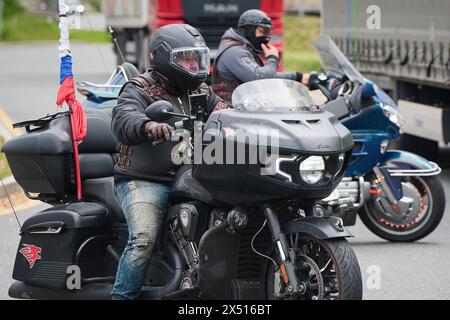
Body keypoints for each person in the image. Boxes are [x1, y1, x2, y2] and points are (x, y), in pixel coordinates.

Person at [110, 23, 229, 300]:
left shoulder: (200, 89)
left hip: (191, 173)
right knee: (143, 239)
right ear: (164, 58)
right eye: (187, 58)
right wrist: (148, 126)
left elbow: (225, 111)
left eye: (197, 58)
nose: (194, 64)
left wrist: (252, 115)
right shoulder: (138, 89)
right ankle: (122, 297)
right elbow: (124, 118)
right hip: (145, 178)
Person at [211, 9, 317, 103]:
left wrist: (299, 77)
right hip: (231, 111)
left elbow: (264, 75)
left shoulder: (243, 48)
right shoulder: (235, 52)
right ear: (249, 30)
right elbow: (261, 78)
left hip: (246, 106)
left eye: (268, 32)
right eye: (262, 31)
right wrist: (273, 58)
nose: (266, 36)